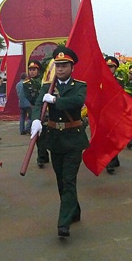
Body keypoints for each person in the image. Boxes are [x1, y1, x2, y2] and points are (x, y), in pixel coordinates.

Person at [30, 46, 88, 238]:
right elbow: (38, 104)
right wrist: (36, 120)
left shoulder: (79, 85)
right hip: (55, 139)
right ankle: (74, 211)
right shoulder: (48, 86)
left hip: (73, 138)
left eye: (64, 65)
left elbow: (77, 102)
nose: (60, 69)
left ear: (72, 67)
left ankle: (63, 223)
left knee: (69, 180)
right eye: (58, 65)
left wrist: (55, 100)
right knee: (61, 181)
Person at [23, 60, 48, 168]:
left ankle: (46, 155)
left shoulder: (45, 81)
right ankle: (41, 157)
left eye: (34, 69)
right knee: (39, 135)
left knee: (49, 134)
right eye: (30, 69)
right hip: (36, 111)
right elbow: (31, 98)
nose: (32, 72)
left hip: (49, 110)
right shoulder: (26, 84)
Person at [104, 56, 123, 174]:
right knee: (105, 137)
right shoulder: (100, 79)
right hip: (103, 112)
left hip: (115, 112)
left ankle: (112, 159)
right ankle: (111, 160)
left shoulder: (119, 80)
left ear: (115, 68)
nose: (109, 68)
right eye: (107, 66)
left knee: (114, 137)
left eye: (111, 67)